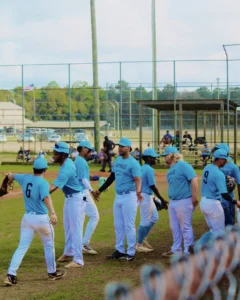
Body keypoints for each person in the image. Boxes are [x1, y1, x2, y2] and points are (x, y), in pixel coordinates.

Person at [4, 158, 66, 286]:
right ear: (45, 170)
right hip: (41, 219)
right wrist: (53, 213)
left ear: (33, 169)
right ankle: (52, 272)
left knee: (22, 247)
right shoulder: (43, 182)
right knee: (49, 245)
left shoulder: (26, 178)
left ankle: (10, 275)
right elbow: (46, 197)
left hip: (27, 219)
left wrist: (8, 177)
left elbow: (11, 175)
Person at [96, 138, 143, 261]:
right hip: (119, 196)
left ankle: (131, 252)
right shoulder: (117, 161)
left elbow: (138, 179)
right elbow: (112, 177)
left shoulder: (134, 163)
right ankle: (120, 250)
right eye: (119, 146)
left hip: (130, 196)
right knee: (118, 225)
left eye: (122, 146)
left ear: (129, 148)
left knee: (129, 225)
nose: (120, 148)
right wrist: (100, 190)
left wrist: (138, 192)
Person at [49, 142, 86, 269]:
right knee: (68, 228)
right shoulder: (67, 162)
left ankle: (78, 260)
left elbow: (52, 188)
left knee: (75, 229)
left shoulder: (66, 169)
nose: (53, 155)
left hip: (76, 199)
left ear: (63, 155)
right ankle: (69, 252)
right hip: (71, 198)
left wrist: (38, 193)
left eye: (56, 153)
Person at [196, 149, 240, 248]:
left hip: (204, 203)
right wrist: (235, 201)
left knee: (213, 230)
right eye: (225, 160)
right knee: (220, 232)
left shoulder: (207, 168)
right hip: (213, 205)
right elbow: (224, 193)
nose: (226, 162)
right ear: (220, 159)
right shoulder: (219, 174)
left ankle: (198, 245)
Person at [161, 146, 198, 257]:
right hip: (173, 201)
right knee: (174, 227)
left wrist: (194, 197)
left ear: (171, 155)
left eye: (165, 155)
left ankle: (188, 251)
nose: (164, 158)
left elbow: (194, 179)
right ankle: (176, 249)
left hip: (184, 201)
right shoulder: (170, 170)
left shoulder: (183, 165)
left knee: (185, 227)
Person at [136, 148, 168, 253]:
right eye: (154, 158)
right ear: (149, 158)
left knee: (154, 217)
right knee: (145, 220)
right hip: (145, 196)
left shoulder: (142, 168)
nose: (155, 159)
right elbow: (152, 186)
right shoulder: (149, 169)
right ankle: (138, 244)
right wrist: (162, 200)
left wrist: (154, 198)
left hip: (146, 195)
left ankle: (142, 237)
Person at [74, 141, 100, 255]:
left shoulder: (78, 160)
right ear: (83, 149)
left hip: (78, 192)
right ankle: (84, 243)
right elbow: (84, 180)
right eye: (89, 150)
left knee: (81, 219)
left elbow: (84, 176)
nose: (90, 152)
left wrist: (94, 177)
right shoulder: (81, 161)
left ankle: (78, 244)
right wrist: (92, 191)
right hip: (83, 192)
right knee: (94, 216)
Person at [215, 143, 240, 226]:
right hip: (224, 199)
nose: (216, 150)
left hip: (224, 199)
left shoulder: (232, 167)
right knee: (228, 225)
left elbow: (239, 183)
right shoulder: (233, 166)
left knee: (222, 224)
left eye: (218, 149)